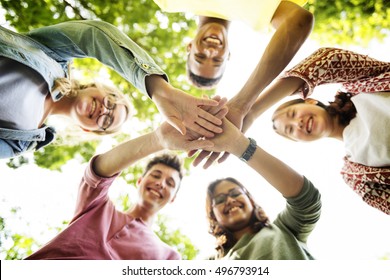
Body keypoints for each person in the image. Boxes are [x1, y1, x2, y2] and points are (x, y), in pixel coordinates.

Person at [0, 20, 223, 159]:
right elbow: (94, 36)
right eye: (111, 102)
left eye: (106, 122)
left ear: (88, 130)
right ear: (96, 86)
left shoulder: (24, 141)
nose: (104, 111)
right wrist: (160, 90)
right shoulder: (54, 58)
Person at [25, 116, 223, 260]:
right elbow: (97, 173)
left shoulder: (169, 257)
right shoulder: (98, 208)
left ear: (172, 198)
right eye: (155, 175)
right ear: (139, 181)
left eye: (170, 184)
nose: (161, 183)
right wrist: (157, 140)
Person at [154, 0, 314, 164]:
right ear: (228, 55)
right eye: (217, 60)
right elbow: (298, 21)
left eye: (200, 57)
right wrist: (241, 106)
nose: (210, 51)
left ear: (189, 47)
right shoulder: (260, 18)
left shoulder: (169, 3)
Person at [243, 47, 390, 215]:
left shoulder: (360, 84)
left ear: (310, 101)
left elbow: (329, 58)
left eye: (293, 114)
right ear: (300, 141)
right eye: (290, 130)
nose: (297, 124)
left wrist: (251, 111)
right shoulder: (357, 176)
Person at [201, 117, 321, 259]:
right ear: (213, 215)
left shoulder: (285, 229)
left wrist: (239, 144)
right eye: (220, 199)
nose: (230, 200)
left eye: (235, 194)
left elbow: (306, 199)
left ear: (251, 201)